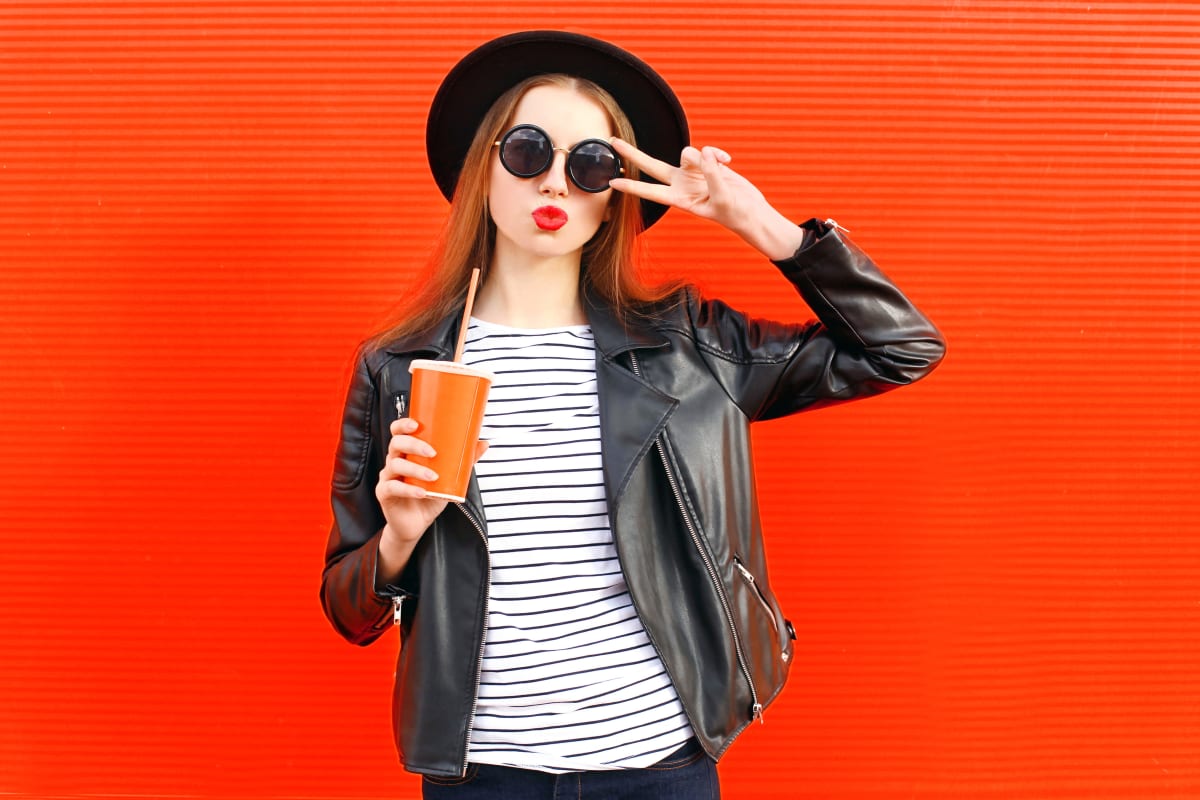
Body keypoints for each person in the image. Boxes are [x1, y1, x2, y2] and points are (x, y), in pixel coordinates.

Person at [320, 30, 945, 799]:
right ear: (482, 168)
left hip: (661, 765)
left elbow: (900, 350)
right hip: (482, 774)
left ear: (614, 194)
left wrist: (760, 223)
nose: (556, 184)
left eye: (589, 165)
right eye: (528, 151)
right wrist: (400, 537)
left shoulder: (689, 345)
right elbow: (348, 607)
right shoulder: (400, 369)